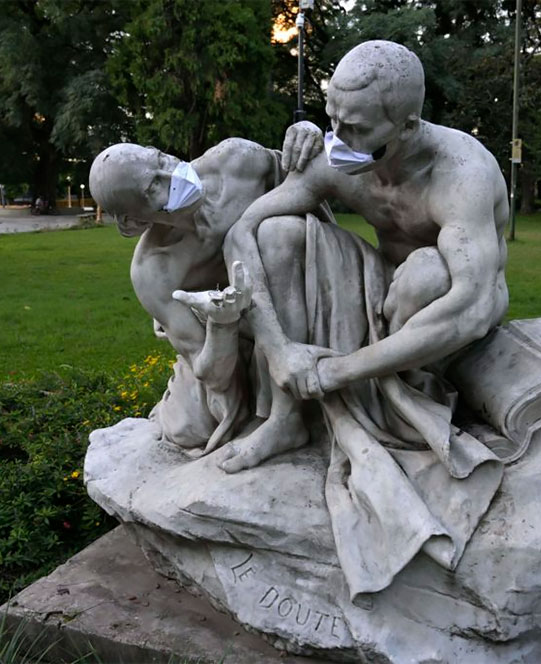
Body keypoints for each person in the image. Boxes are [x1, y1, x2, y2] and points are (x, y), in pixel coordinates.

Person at [221, 40, 510, 473]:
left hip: (443, 314)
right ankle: (286, 418)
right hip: (383, 287)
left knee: (428, 273)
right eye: (332, 119)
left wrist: (338, 371)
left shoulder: (461, 175)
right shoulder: (340, 155)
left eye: (355, 127)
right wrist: (277, 348)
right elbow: (240, 232)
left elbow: (472, 307)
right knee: (277, 232)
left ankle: (406, 399)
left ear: (408, 127)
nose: (339, 137)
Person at [88, 134, 325, 451]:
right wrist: (221, 324)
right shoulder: (154, 273)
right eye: (153, 187)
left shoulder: (237, 160)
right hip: (237, 338)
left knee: (278, 235)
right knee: (191, 427)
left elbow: (315, 180)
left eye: (161, 158)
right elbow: (213, 375)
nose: (172, 174)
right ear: (133, 222)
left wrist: (309, 135)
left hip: (303, 285)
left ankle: (288, 416)